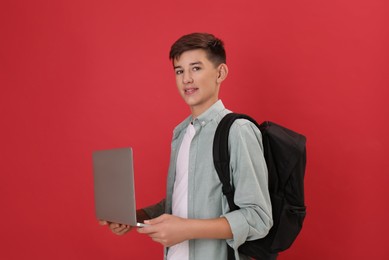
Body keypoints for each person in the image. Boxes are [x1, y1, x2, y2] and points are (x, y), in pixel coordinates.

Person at [99, 32, 273, 260]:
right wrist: (135, 216)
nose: (186, 79)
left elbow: (258, 217)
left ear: (220, 73)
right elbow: (181, 201)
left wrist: (186, 229)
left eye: (196, 68)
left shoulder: (237, 130)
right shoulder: (181, 134)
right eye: (179, 71)